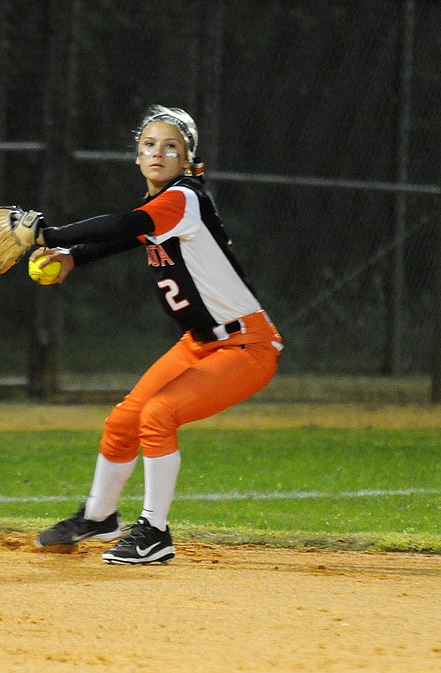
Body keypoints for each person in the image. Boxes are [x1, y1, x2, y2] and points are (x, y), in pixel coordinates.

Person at [31, 105, 283, 564]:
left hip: (247, 347)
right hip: (200, 343)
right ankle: (100, 516)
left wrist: (48, 234)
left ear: (188, 161)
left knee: (160, 415)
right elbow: (130, 235)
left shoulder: (186, 197)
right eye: (149, 144)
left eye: (172, 146)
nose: (157, 152)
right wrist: (73, 256)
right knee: (123, 422)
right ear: (137, 156)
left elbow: (128, 226)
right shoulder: (162, 210)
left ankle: (155, 533)